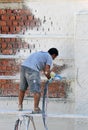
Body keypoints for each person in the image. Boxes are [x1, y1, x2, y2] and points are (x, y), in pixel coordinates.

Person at [18, 48, 59, 113]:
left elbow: (44, 70)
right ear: (53, 55)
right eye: (55, 57)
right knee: (37, 91)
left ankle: (20, 106)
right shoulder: (49, 57)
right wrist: (50, 78)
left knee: (22, 88)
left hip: (23, 67)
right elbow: (46, 71)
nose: (54, 59)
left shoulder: (41, 54)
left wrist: (49, 75)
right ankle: (36, 108)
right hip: (32, 69)